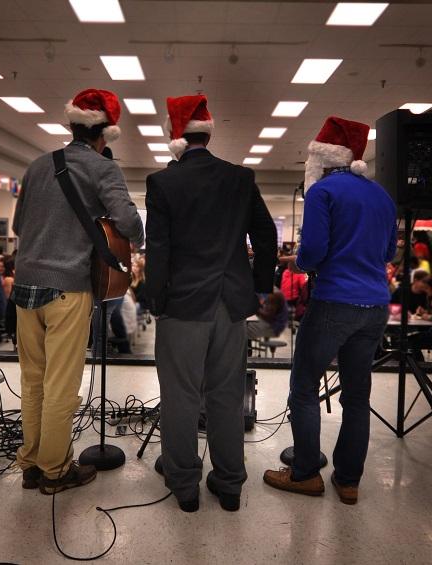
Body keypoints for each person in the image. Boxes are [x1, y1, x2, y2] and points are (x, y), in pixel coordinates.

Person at [147, 94, 277, 513]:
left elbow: (159, 250)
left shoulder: (163, 183)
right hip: (230, 304)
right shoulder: (240, 178)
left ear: (175, 135)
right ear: (208, 132)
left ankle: (185, 486)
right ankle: (229, 484)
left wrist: (156, 299)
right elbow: (267, 236)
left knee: (181, 395)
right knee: (226, 394)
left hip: (183, 304)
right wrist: (257, 287)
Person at [12, 88, 144, 495]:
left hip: (24, 285)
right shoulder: (103, 169)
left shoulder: (36, 166)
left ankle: (31, 464)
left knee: (33, 380)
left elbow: (19, 226)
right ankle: (55, 470)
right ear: (107, 133)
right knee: (61, 385)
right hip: (68, 288)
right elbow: (131, 225)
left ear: (72, 125)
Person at [263, 116, 395, 504]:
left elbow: (315, 252)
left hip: (334, 302)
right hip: (375, 306)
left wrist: (299, 264)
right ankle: (349, 480)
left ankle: (305, 473)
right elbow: (389, 253)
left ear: (321, 157)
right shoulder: (382, 195)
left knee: (304, 387)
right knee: (357, 396)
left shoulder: (321, 192)